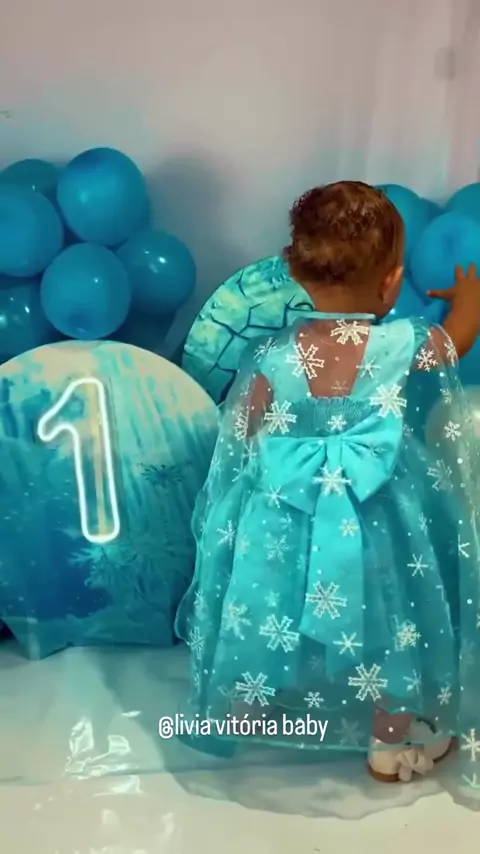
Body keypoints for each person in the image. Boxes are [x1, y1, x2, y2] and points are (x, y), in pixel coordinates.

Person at [175, 182, 480, 785]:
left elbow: (247, 428)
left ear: (296, 270)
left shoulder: (271, 354)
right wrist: (471, 296)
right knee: (390, 613)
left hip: (285, 512)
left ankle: (249, 701)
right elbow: (456, 341)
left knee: (272, 600)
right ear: (393, 282)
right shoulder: (403, 341)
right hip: (375, 510)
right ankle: (389, 739)